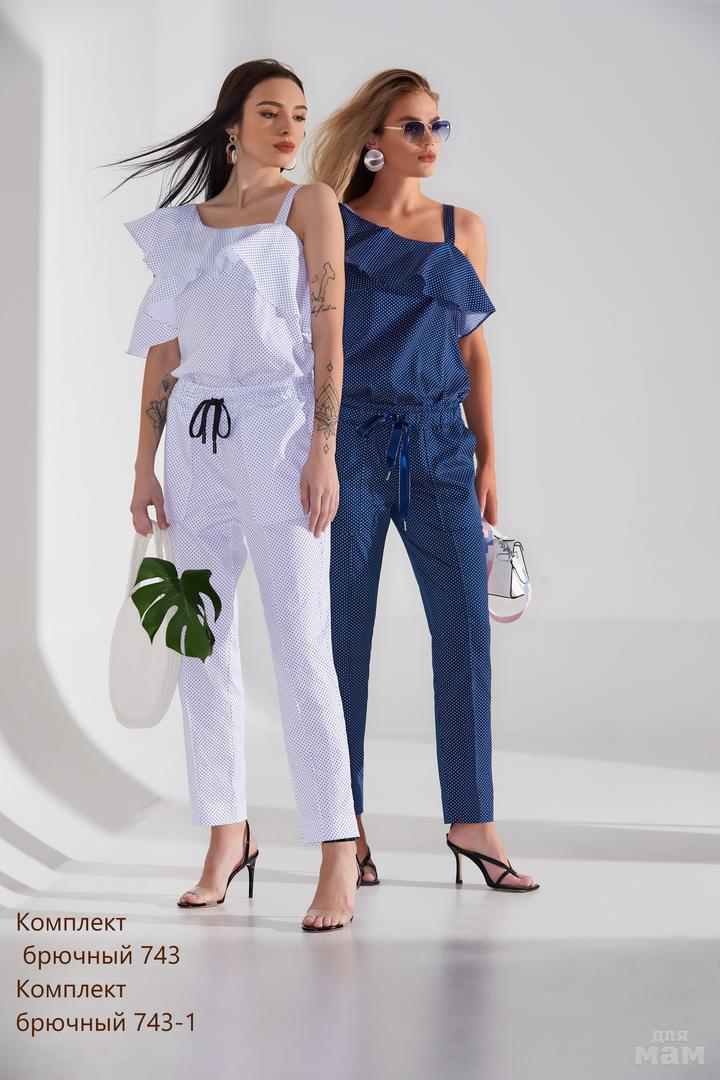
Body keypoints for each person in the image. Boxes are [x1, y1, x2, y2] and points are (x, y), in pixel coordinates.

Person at [112, 58, 362, 931]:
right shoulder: (186, 227)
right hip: (194, 438)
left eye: (299, 114)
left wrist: (323, 451)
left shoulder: (310, 207)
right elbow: (162, 351)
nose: (291, 128)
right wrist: (143, 465)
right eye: (270, 112)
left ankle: (336, 848)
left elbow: (329, 336)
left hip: (278, 429)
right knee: (201, 643)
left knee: (302, 642)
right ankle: (227, 834)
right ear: (232, 125)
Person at [309, 69, 539, 892]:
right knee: (342, 640)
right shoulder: (329, 225)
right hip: (352, 445)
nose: (429, 140)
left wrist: (489, 458)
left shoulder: (461, 228)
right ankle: (346, 825)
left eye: (437, 125)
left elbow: (474, 349)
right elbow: (311, 346)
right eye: (411, 126)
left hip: (442, 446)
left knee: (466, 632)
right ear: (373, 140)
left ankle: (472, 819)